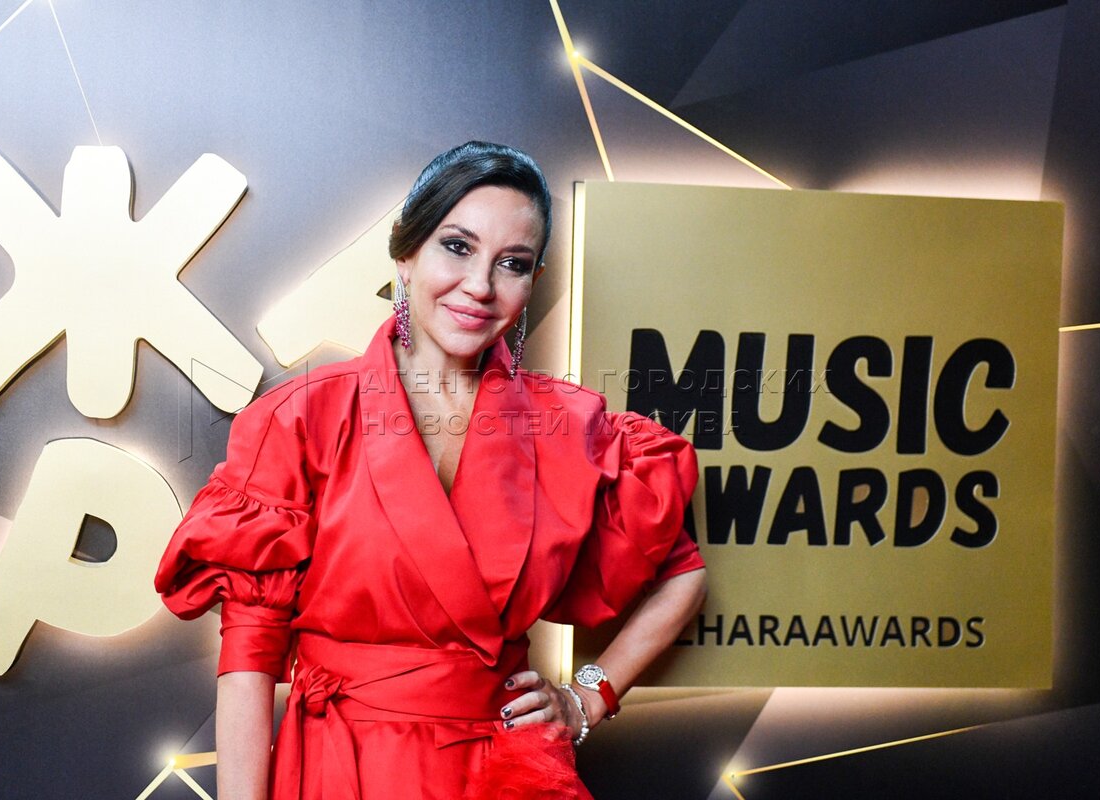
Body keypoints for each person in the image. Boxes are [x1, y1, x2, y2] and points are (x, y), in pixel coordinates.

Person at [154, 141, 708, 800]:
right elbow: (249, 656)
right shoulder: (300, 417)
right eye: (457, 247)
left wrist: (587, 697)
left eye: (512, 263)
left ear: (532, 283)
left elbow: (684, 575)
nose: (480, 286)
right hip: (344, 768)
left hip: (506, 772)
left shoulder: (568, 425)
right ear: (406, 253)